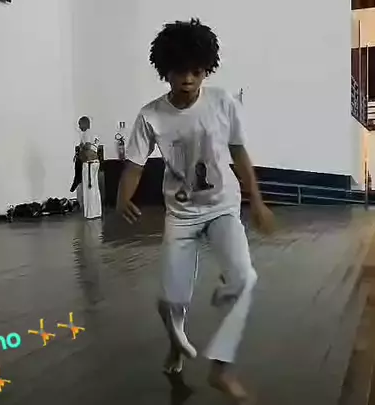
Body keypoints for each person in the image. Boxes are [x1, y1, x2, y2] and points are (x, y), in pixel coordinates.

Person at [115, 19, 274, 403]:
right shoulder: (151, 115)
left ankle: (221, 368)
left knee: (245, 279)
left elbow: (239, 153)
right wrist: (122, 199)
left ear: (206, 69)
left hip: (222, 207)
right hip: (181, 215)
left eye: (196, 70)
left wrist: (256, 200)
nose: (187, 78)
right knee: (171, 301)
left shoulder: (222, 103)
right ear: (164, 70)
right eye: (179, 70)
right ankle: (175, 343)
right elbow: (134, 165)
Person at [77, 116, 102, 220]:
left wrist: (81, 148)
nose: (79, 127)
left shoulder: (86, 133)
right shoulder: (95, 134)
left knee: (89, 188)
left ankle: (90, 213)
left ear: (85, 123)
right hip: (95, 162)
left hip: (89, 163)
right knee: (95, 187)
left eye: (80, 124)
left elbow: (87, 147)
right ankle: (97, 211)